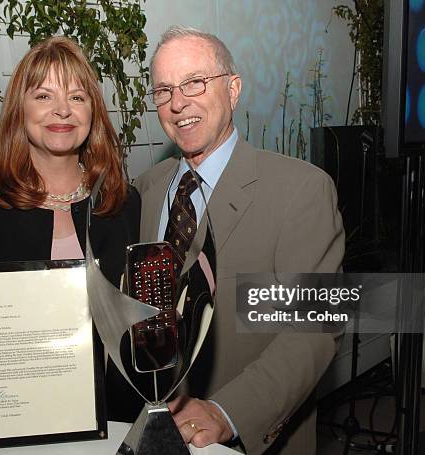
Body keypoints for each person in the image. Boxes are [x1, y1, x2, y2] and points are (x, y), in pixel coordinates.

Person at [0, 36, 140, 441]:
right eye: (43, 95)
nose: (62, 110)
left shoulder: (123, 205)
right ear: (20, 109)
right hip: (2, 429)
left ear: (93, 112)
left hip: (119, 429)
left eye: (77, 96)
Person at [134, 26, 345, 455]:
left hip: (247, 440)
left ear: (233, 89)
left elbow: (314, 329)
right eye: (163, 90)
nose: (178, 103)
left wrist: (228, 412)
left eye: (195, 82)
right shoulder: (144, 191)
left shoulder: (301, 190)